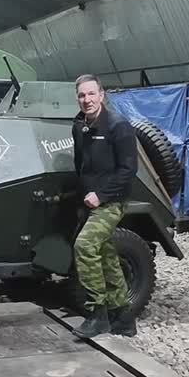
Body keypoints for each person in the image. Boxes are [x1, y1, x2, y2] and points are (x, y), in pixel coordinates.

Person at [71, 74, 138, 338]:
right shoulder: (80, 125)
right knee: (107, 254)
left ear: (102, 95)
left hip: (112, 200)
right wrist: (82, 198)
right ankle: (124, 317)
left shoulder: (118, 126)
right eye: (81, 95)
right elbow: (81, 165)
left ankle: (98, 314)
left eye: (91, 94)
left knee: (85, 246)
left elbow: (128, 170)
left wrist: (100, 195)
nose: (87, 99)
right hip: (89, 201)